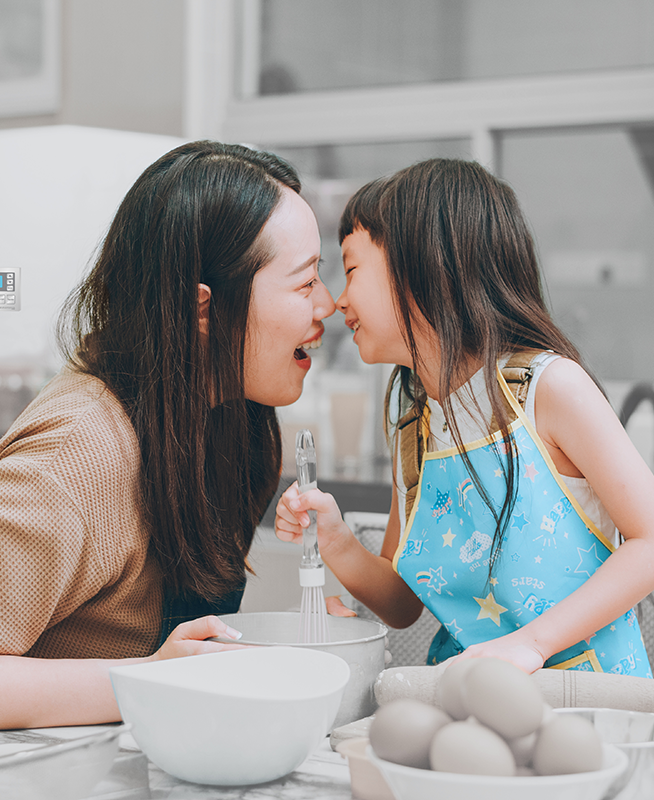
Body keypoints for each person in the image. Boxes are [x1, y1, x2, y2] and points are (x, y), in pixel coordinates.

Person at [0, 141, 336, 732]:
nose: (330, 304)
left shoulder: (235, 426)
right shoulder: (75, 459)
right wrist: (148, 681)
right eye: (305, 283)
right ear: (202, 308)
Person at [276, 158, 654, 678]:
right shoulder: (415, 430)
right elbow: (402, 603)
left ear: (425, 267)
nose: (338, 299)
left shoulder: (549, 388)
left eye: (353, 268)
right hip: (472, 703)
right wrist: (336, 540)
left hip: (591, 710)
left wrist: (532, 645)